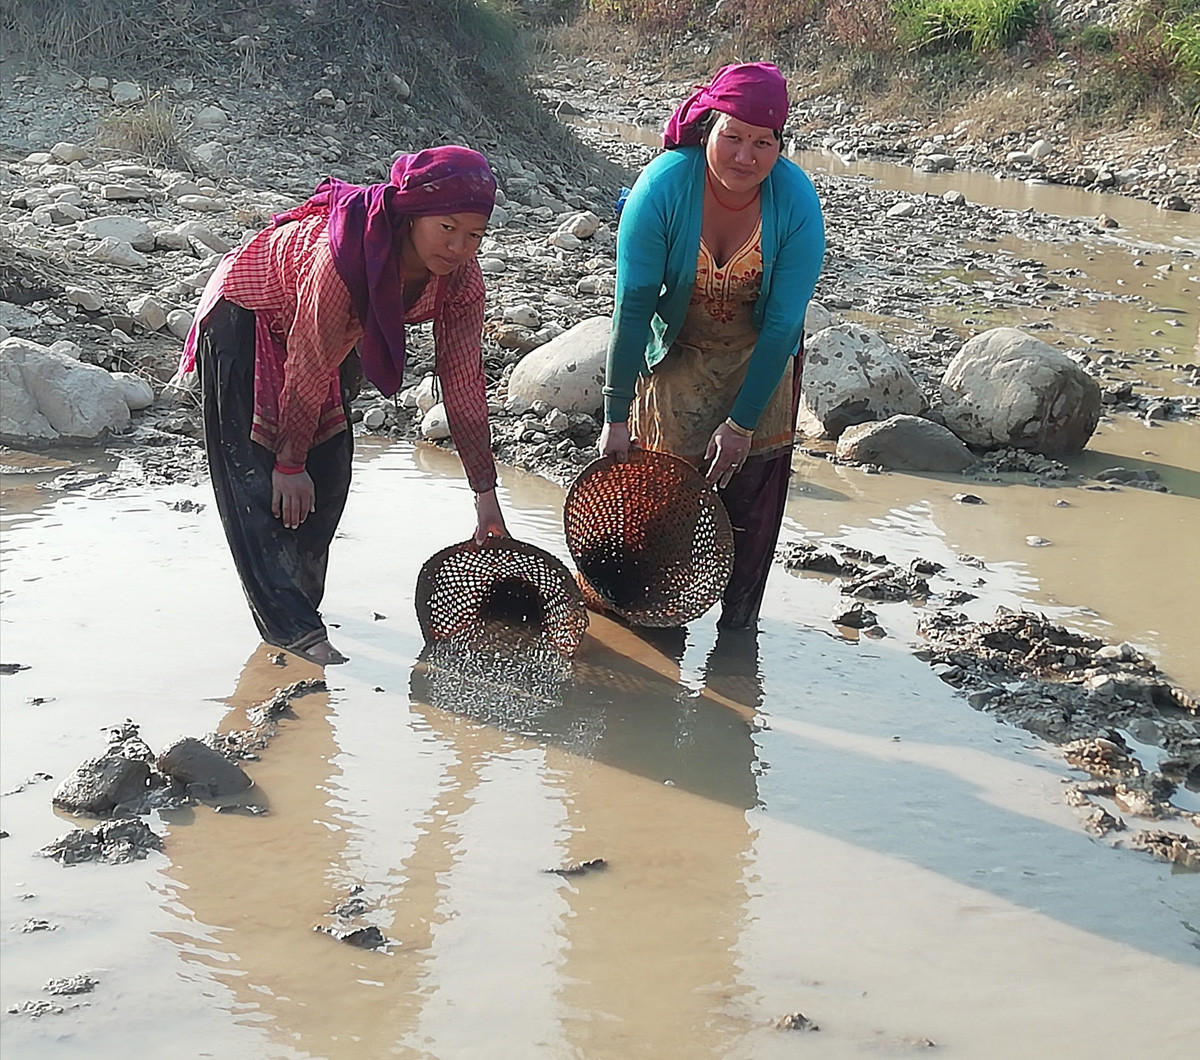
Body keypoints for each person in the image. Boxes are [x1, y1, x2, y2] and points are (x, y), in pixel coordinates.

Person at [179, 146, 509, 665]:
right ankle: (293, 633)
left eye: (474, 234)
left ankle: (301, 604)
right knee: (256, 480)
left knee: (329, 475)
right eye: (446, 227)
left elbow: (463, 380)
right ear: (411, 216)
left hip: (323, 331)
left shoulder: (461, 279)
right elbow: (310, 364)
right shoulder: (346, 259)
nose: (458, 246)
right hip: (248, 313)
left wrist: (484, 494)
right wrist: (288, 463)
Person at [599, 62, 825, 630]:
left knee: (750, 509)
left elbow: (782, 326)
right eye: (732, 137)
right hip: (679, 353)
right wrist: (615, 413)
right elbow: (633, 307)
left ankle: (737, 638)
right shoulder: (662, 188)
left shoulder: (795, 201)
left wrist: (742, 424)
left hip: (761, 358)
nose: (745, 157)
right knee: (660, 508)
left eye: (762, 142)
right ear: (707, 132)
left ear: (780, 146)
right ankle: (655, 621)